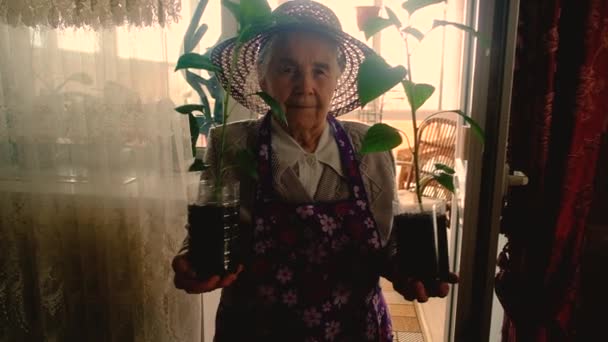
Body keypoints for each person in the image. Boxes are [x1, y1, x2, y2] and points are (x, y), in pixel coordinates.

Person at [172, 1, 457, 340]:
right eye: (287, 68)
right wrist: (191, 260)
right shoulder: (231, 144)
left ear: (337, 78)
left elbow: (389, 239)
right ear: (263, 76)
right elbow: (208, 233)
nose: (304, 86)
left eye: (320, 70)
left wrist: (406, 272)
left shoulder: (370, 146)